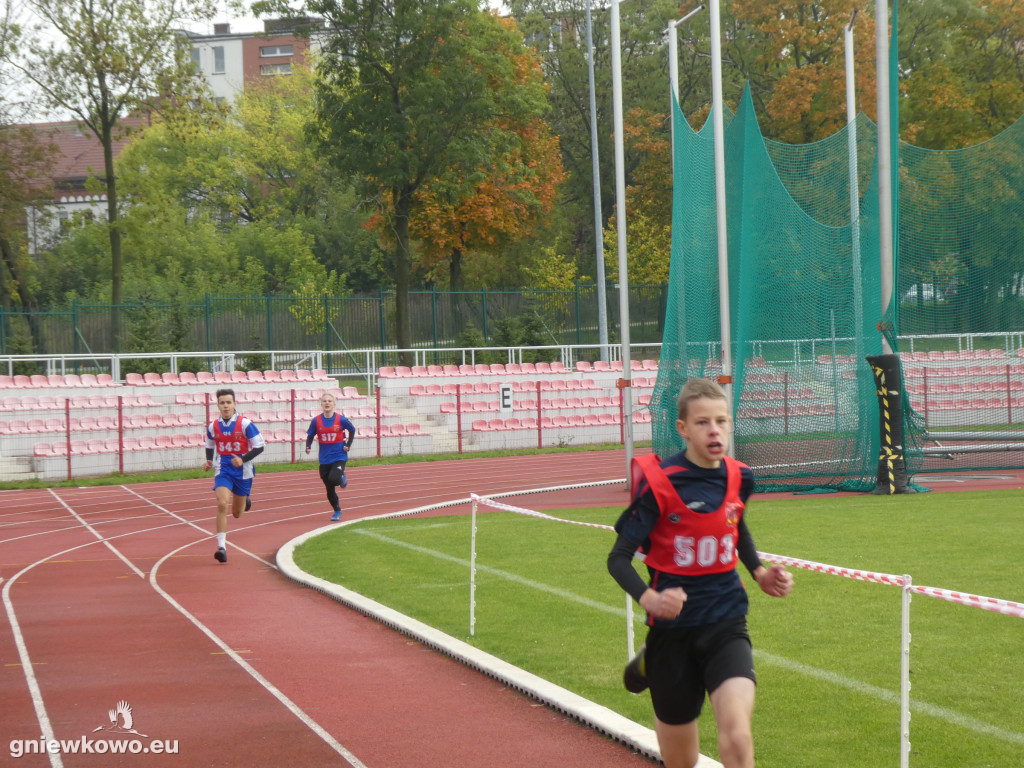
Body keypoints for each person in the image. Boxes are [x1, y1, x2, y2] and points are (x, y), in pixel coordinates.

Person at [606, 378, 793, 768]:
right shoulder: (660, 485)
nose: (715, 431)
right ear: (683, 429)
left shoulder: (741, 477)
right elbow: (618, 558)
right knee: (683, 761)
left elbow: (734, 523)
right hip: (672, 633)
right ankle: (648, 661)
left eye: (722, 422)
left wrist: (758, 570)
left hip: (726, 622)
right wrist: (651, 599)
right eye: (704, 422)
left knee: (738, 736)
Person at [203, 388, 265, 563]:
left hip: (243, 472)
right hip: (224, 469)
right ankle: (221, 547)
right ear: (218, 405)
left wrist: (243, 459)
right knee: (222, 503)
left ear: (234, 404)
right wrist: (209, 461)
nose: (225, 406)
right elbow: (209, 444)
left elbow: (260, 446)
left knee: (237, 513)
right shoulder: (213, 426)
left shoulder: (245, 424)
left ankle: (245, 499)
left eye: (228, 402)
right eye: (222, 403)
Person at [306, 391, 356, 521]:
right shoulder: (316, 421)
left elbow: (352, 429)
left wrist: (348, 444)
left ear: (334, 404)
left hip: (339, 455)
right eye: (324, 401)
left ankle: (342, 477)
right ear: (321, 404)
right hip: (324, 458)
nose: (327, 403)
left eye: (329, 401)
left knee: (334, 478)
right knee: (329, 488)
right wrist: (308, 445)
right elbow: (310, 435)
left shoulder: (341, 419)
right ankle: (337, 510)